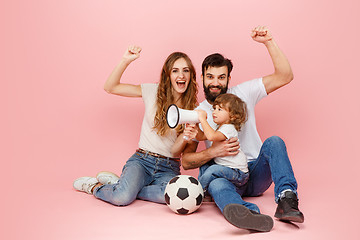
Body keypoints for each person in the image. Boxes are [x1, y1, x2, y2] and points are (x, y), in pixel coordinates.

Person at [182, 26, 304, 232]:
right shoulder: (199, 113)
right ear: (202, 78)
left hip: (254, 172)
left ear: (229, 79)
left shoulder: (244, 93)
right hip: (226, 176)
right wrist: (213, 151)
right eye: (210, 76)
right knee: (218, 185)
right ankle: (248, 213)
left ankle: (287, 199)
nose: (215, 82)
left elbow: (285, 76)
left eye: (221, 77)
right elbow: (186, 161)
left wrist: (268, 42)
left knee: (275, 141)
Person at [73, 45, 198, 206]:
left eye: (185, 70)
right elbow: (110, 87)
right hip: (142, 161)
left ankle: (124, 185)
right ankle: (95, 187)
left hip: (169, 167)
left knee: (170, 197)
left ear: (191, 75)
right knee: (122, 198)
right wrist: (125, 61)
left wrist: (186, 136)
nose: (181, 75)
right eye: (175, 70)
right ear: (168, 75)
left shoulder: (194, 111)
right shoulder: (152, 91)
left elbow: (175, 151)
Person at [195, 93, 249, 194]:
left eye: (219, 109)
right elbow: (201, 136)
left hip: (238, 173)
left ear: (233, 116)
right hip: (226, 167)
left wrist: (202, 119)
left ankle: (197, 192)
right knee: (204, 163)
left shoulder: (229, 128)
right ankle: (205, 191)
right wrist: (196, 126)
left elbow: (211, 136)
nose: (214, 112)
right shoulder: (219, 127)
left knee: (213, 169)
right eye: (214, 108)